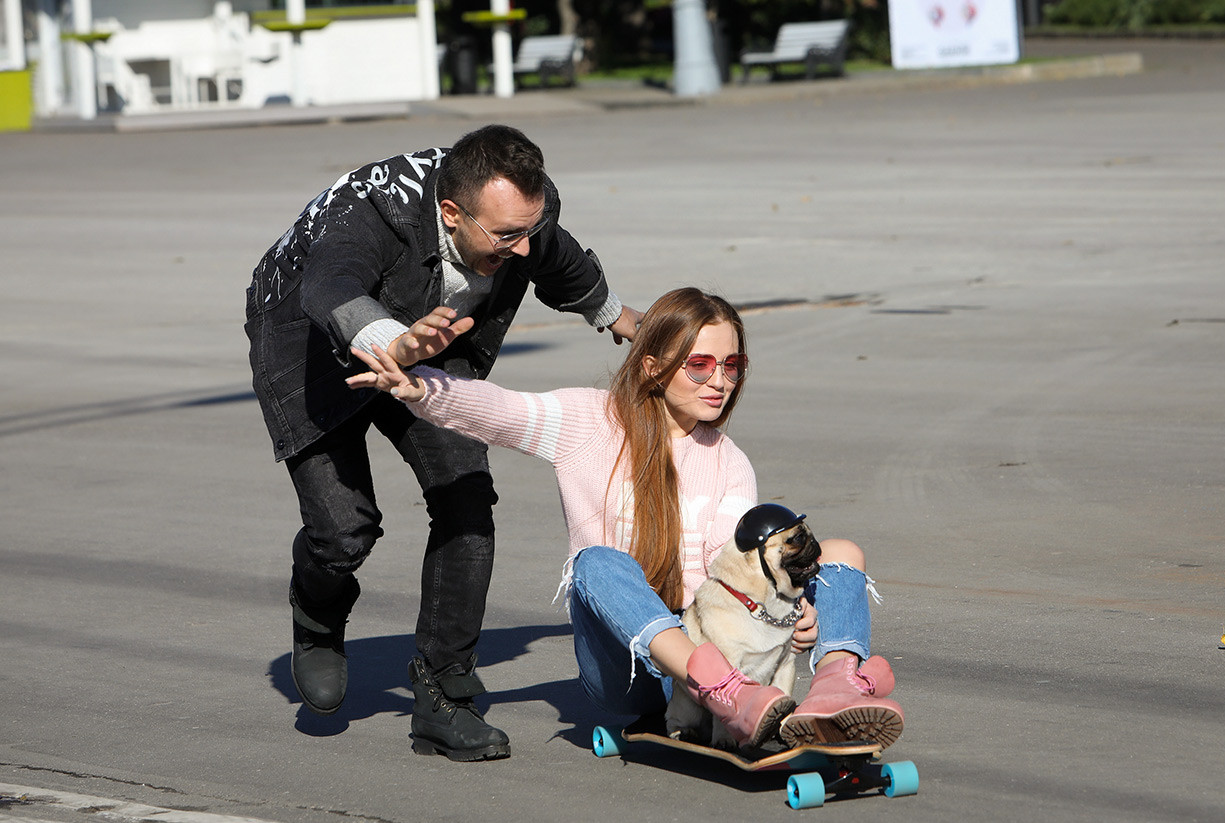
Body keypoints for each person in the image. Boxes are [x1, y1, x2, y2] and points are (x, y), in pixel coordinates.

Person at [347, 287, 905, 752]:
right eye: (701, 364)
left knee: (840, 553)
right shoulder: (591, 423)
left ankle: (833, 692)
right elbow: (502, 412)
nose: (720, 381)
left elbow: (729, 576)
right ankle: (723, 691)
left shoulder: (730, 463)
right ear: (653, 365)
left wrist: (790, 615)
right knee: (597, 564)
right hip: (633, 672)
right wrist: (420, 389)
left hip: (717, 647)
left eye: (732, 365)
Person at [244, 124, 641, 762]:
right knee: (345, 529)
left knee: (465, 498)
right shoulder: (370, 215)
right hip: (308, 338)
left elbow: (556, 255)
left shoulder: (523, 216)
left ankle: (444, 696)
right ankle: (318, 614)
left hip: (430, 338)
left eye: (527, 228)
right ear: (451, 213)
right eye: (505, 235)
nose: (520, 245)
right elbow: (327, 288)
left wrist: (615, 314)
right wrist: (391, 344)